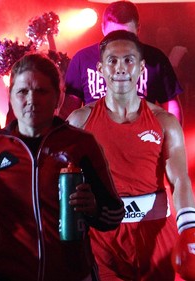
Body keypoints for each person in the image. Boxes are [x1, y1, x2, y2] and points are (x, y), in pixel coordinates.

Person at [0, 53, 125, 281]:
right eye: (22, 91)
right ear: (10, 97)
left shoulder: (81, 144)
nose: (31, 100)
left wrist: (94, 209)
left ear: (58, 97)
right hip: (4, 275)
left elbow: (115, 213)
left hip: (71, 275)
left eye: (41, 91)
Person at [67, 30, 195, 281]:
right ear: (101, 68)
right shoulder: (80, 122)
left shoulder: (165, 122)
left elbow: (180, 179)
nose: (121, 68)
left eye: (129, 60)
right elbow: (64, 182)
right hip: (103, 240)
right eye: (112, 60)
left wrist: (189, 229)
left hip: (157, 237)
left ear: (141, 68)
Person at [59, 0, 183, 125]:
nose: (120, 42)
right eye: (113, 35)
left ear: (138, 29)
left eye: (127, 36)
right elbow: (69, 110)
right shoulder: (82, 59)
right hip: (95, 140)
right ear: (102, 28)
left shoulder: (156, 59)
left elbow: (171, 107)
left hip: (141, 139)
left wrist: (172, 140)